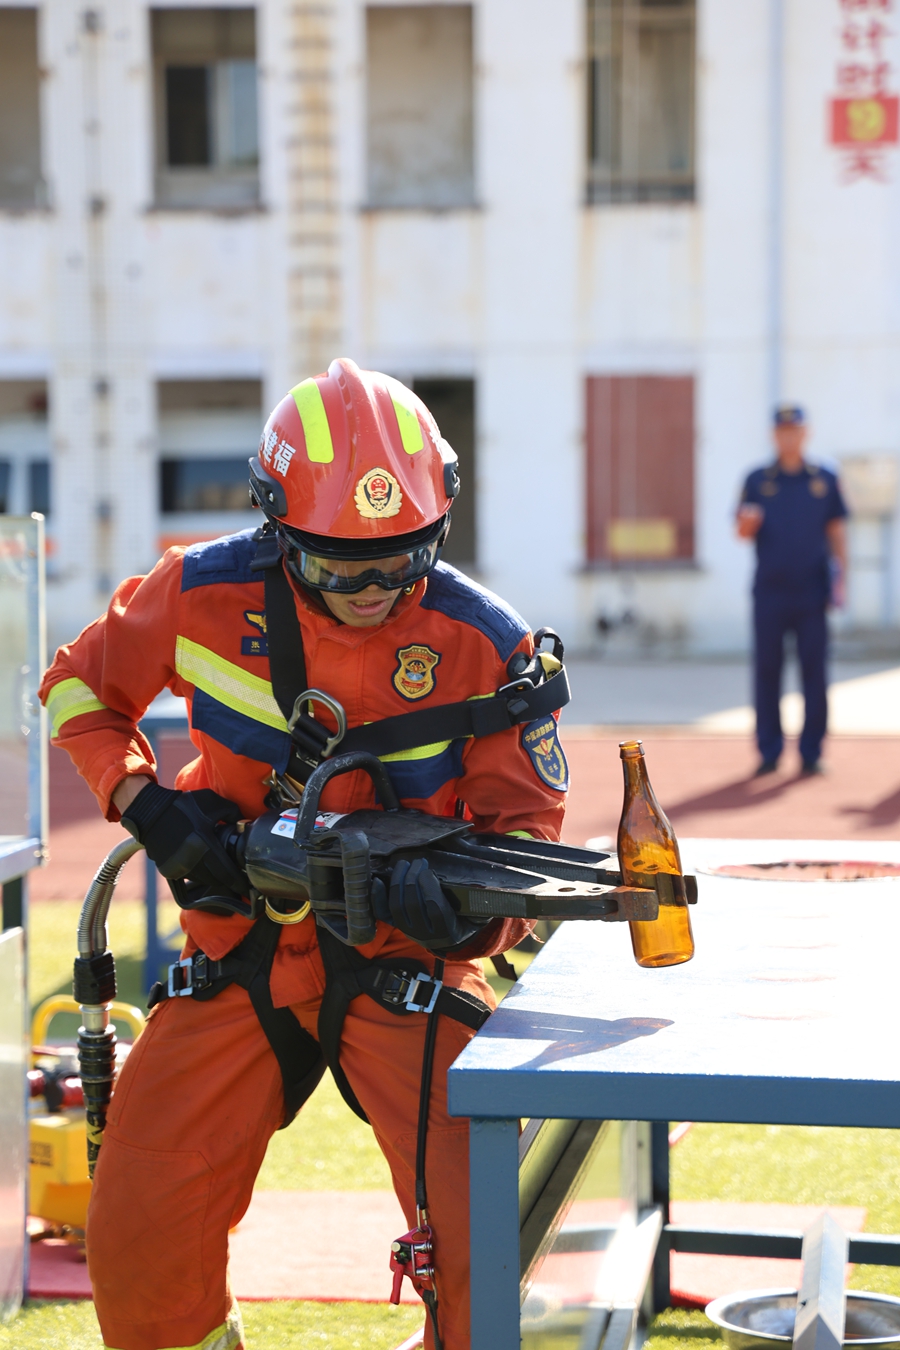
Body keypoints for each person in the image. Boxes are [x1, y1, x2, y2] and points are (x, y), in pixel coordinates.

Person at [40, 358, 570, 1350]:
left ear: (441, 527)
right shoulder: (196, 591)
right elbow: (77, 687)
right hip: (241, 953)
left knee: (489, 1245)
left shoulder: (483, 642)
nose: (371, 590)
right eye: (338, 567)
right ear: (277, 532)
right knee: (138, 1232)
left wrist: (465, 910)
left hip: (407, 968)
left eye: (402, 561)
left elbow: (529, 831)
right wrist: (144, 802)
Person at [736, 404, 848, 776]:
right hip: (769, 591)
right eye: (782, 431)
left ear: (805, 433)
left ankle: (812, 752)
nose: (788, 437)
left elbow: (835, 530)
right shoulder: (757, 479)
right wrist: (747, 524)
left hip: (812, 591)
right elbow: (741, 531)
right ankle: (769, 751)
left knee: (814, 671)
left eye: (794, 430)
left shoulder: (825, 478)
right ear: (774, 435)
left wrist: (842, 577)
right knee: (767, 670)